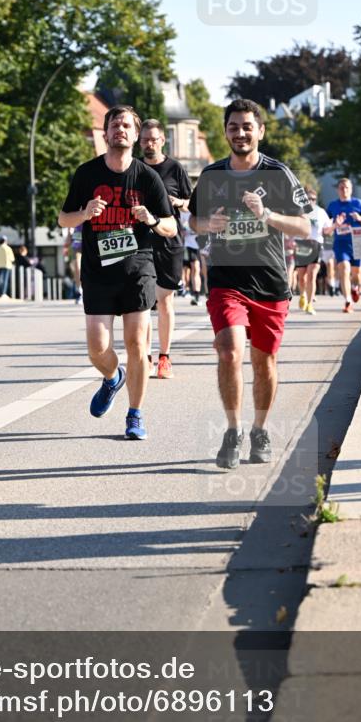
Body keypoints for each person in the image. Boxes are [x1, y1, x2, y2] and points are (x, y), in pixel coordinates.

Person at [189, 98, 311, 469]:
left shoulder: (278, 174)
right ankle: (233, 429)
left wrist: (269, 214)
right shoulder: (211, 176)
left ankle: (259, 429)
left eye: (246, 126)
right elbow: (194, 221)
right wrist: (207, 224)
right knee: (228, 350)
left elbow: (305, 226)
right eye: (233, 127)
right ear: (225, 131)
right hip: (227, 278)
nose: (239, 133)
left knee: (265, 361)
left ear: (259, 131)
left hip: (270, 281)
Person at [58, 105, 176, 440]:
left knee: (138, 343)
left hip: (138, 267)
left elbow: (170, 226)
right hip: (98, 270)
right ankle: (112, 377)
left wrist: (151, 219)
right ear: (105, 133)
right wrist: (84, 212)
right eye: (114, 125)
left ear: (136, 135)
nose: (120, 130)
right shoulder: (87, 174)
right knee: (97, 348)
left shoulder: (146, 177)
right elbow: (62, 219)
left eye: (126, 125)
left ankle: (135, 414)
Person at [140, 119, 192, 378]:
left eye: (153, 139)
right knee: (145, 302)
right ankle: (146, 357)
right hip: (140, 243)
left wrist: (179, 202)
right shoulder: (135, 169)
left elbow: (193, 203)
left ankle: (165, 357)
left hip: (170, 242)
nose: (149, 144)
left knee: (164, 300)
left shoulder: (175, 168)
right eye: (145, 140)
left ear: (162, 141)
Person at [326, 178, 361, 313]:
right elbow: (326, 225)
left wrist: (360, 218)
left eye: (346, 187)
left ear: (351, 189)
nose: (344, 190)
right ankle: (348, 301)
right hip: (341, 243)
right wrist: (335, 224)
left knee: (356, 274)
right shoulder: (332, 206)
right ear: (337, 190)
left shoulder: (358, 203)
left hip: (357, 243)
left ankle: (355, 288)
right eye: (341, 188)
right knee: (344, 269)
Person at [295, 188, 332, 316]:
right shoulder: (298, 211)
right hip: (302, 244)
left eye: (313, 199)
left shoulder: (321, 212)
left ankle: (310, 304)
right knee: (301, 277)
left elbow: (327, 231)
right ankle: (302, 295)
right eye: (308, 198)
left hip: (316, 244)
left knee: (312, 275)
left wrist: (335, 225)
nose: (310, 201)